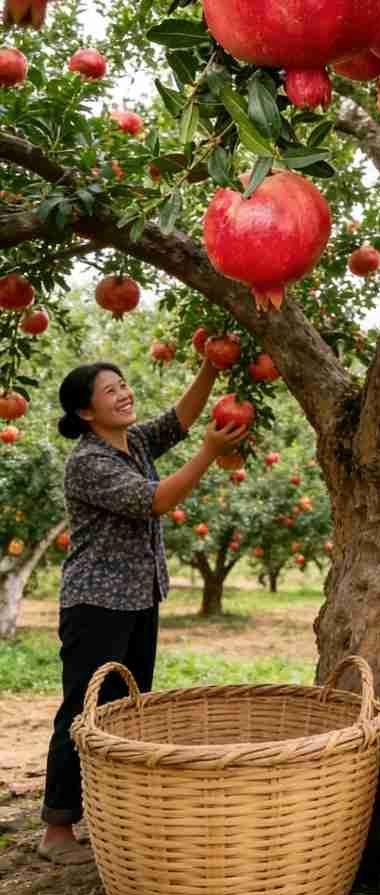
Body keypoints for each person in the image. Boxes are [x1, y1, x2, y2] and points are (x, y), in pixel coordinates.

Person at [39, 357, 248, 865]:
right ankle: (57, 828)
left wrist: (208, 368)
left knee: (128, 708)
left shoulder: (134, 443)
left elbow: (179, 418)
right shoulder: (88, 461)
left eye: (124, 385)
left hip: (137, 596)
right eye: (111, 391)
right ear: (87, 411)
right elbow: (154, 500)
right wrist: (208, 453)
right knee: (83, 708)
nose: (124, 394)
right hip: (96, 603)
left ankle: (109, 811)